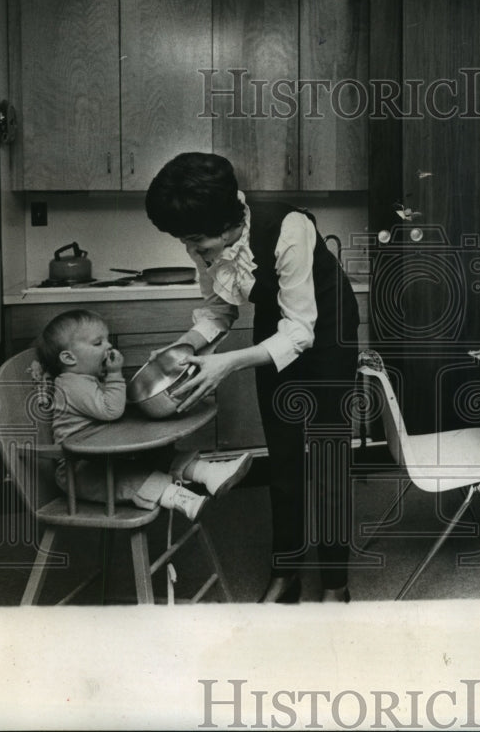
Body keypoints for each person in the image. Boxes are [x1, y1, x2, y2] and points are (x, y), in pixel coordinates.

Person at [144, 153, 360, 604]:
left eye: (198, 242)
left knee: (328, 459)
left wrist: (226, 363)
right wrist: (182, 348)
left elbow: (300, 331)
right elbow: (218, 310)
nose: (194, 252)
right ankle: (286, 572)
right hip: (275, 324)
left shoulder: (290, 227)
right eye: (186, 242)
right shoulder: (205, 240)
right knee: (283, 458)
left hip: (327, 333)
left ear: (227, 225)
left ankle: (335, 583)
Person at [36, 309, 253, 521]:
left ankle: (208, 473)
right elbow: (111, 410)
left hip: (102, 454)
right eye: (97, 343)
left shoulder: (85, 378)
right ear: (68, 358)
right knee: (129, 478)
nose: (109, 346)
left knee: (155, 456)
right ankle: (177, 496)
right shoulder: (72, 385)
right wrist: (115, 374)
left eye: (107, 340)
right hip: (78, 469)